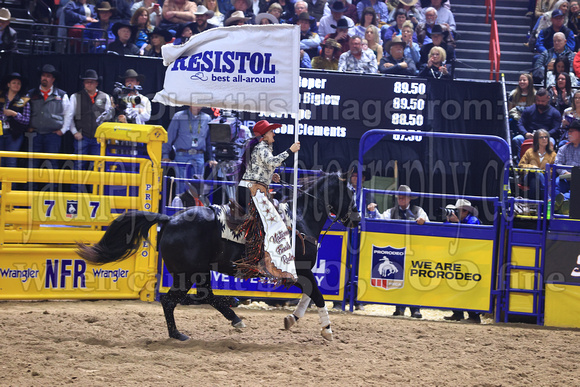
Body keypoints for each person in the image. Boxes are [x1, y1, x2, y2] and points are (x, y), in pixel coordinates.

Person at [235, 120, 300, 283]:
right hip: (251, 190)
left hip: (251, 189)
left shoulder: (262, 148)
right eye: (271, 132)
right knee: (268, 223)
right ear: (264, 135)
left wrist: (271, 176)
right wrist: (290, 151)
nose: (274, 134)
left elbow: (259, 168)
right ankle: (255, 261)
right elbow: (272, 162)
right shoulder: (262, 147)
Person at [367, 184, 428, 318]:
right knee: (399, 277)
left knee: (414, 277)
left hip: (414, 249)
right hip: (398, 250)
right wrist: (372, 212)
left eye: (403, 196)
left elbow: (427, 223)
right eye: (399, 197)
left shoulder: (418, 211)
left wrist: (423, 222)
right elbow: (379, 220)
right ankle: (399, 308)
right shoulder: (391, 211)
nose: (401, 199)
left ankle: (415, 309)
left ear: (409, 198)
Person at [66, 69, 113, 172]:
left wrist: (105, 134)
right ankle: (77, 188)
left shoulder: (105, 97)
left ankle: (94, 188)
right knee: (78, 165)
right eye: (87, 81)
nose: (89, 84)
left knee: (97, 166)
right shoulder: (75, 96)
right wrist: (74, 132)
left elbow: (109, 118)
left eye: (92, 82)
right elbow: (69, 116)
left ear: (97, 83)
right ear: (83, 83)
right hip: (82, 136)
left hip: (98, 138)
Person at [443, 199, 482, 323]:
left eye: (457, 210)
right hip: (459, 258)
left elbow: (470, 234)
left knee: (469, 287)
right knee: (454, 284)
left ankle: (474, 316)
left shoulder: (473, 221)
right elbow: (443, 230)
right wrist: (450, 222)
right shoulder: (457, 220)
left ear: (465, 211)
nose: (454, 212)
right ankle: (458, 313)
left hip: (472, 259)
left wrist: (457, 223)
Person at [26, 64, 70, 173]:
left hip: (53, 135)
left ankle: (52, 190)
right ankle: (31, 189)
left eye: (48, 76)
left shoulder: (62, 95)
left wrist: (63, 130)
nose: (45, 78)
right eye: (43, 75)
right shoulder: (31, 94)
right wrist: (27, 127)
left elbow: (68, 114)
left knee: (52, 163)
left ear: (53, 79)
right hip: (35, 134)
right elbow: (24, 111)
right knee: (32, 163)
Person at [162, 106, 218, 178]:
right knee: (181, 185)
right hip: (182, 155)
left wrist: (211, 158)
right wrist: (165, 155)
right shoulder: (179, 116)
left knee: (197, 185)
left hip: (199, 156)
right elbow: (170, 136)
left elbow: (209, 141)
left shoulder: (206, 118)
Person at [515, 88, 561, 157]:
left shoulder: (555, 113)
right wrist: (526, 133)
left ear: (548, 98)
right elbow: (520, 123)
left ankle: (546, 164)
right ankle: (520, 162)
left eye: (543, 101)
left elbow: (556, 128)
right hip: (529, 135)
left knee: (551, 142)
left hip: (547, 137)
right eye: (538, 101)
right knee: (517, 139)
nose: (540, 103)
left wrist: (545, 135)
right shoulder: (528, 110)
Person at [0, 73, 30, 167]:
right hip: (0, 132)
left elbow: (26, 120)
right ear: (8, 84)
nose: (16, 85)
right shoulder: (1, 96)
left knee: (10, 161)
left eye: (19, 83)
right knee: (1, 161)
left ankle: (12, 182)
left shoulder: (24, 99)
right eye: (14, 83)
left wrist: (14, 114)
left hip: (14, 134)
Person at [518, 129, 556, 200]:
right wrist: (532, 167)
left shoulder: (553, 154)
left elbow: (552, 170)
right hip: (528, 176)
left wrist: (541, 171)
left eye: (546, 137)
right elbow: (521, 165)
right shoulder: (529, 152)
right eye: (541, 137)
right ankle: (547, 198)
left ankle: (533, 205)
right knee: (536, 173)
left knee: (535, 180)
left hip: (544, 178)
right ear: (536, 140)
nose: (544, 139)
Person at [554, 120, 580, 213]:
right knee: (556, 183)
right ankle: (562, 203)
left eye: (572, 131)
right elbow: (558, 162)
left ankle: (560, 202)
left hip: (578, 179)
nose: (569, 133)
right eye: (568, 131)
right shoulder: (563, 148)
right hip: (565, 177)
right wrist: (565, 172)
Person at [508, 73, 536, 139]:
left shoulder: (535, 94)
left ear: (529, 82)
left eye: (524, 80)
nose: (522, 82)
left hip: (529, 118)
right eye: (520, 80)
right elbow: (510, 110)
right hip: (516, 117)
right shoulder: (513, 93)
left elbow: (534, 110)